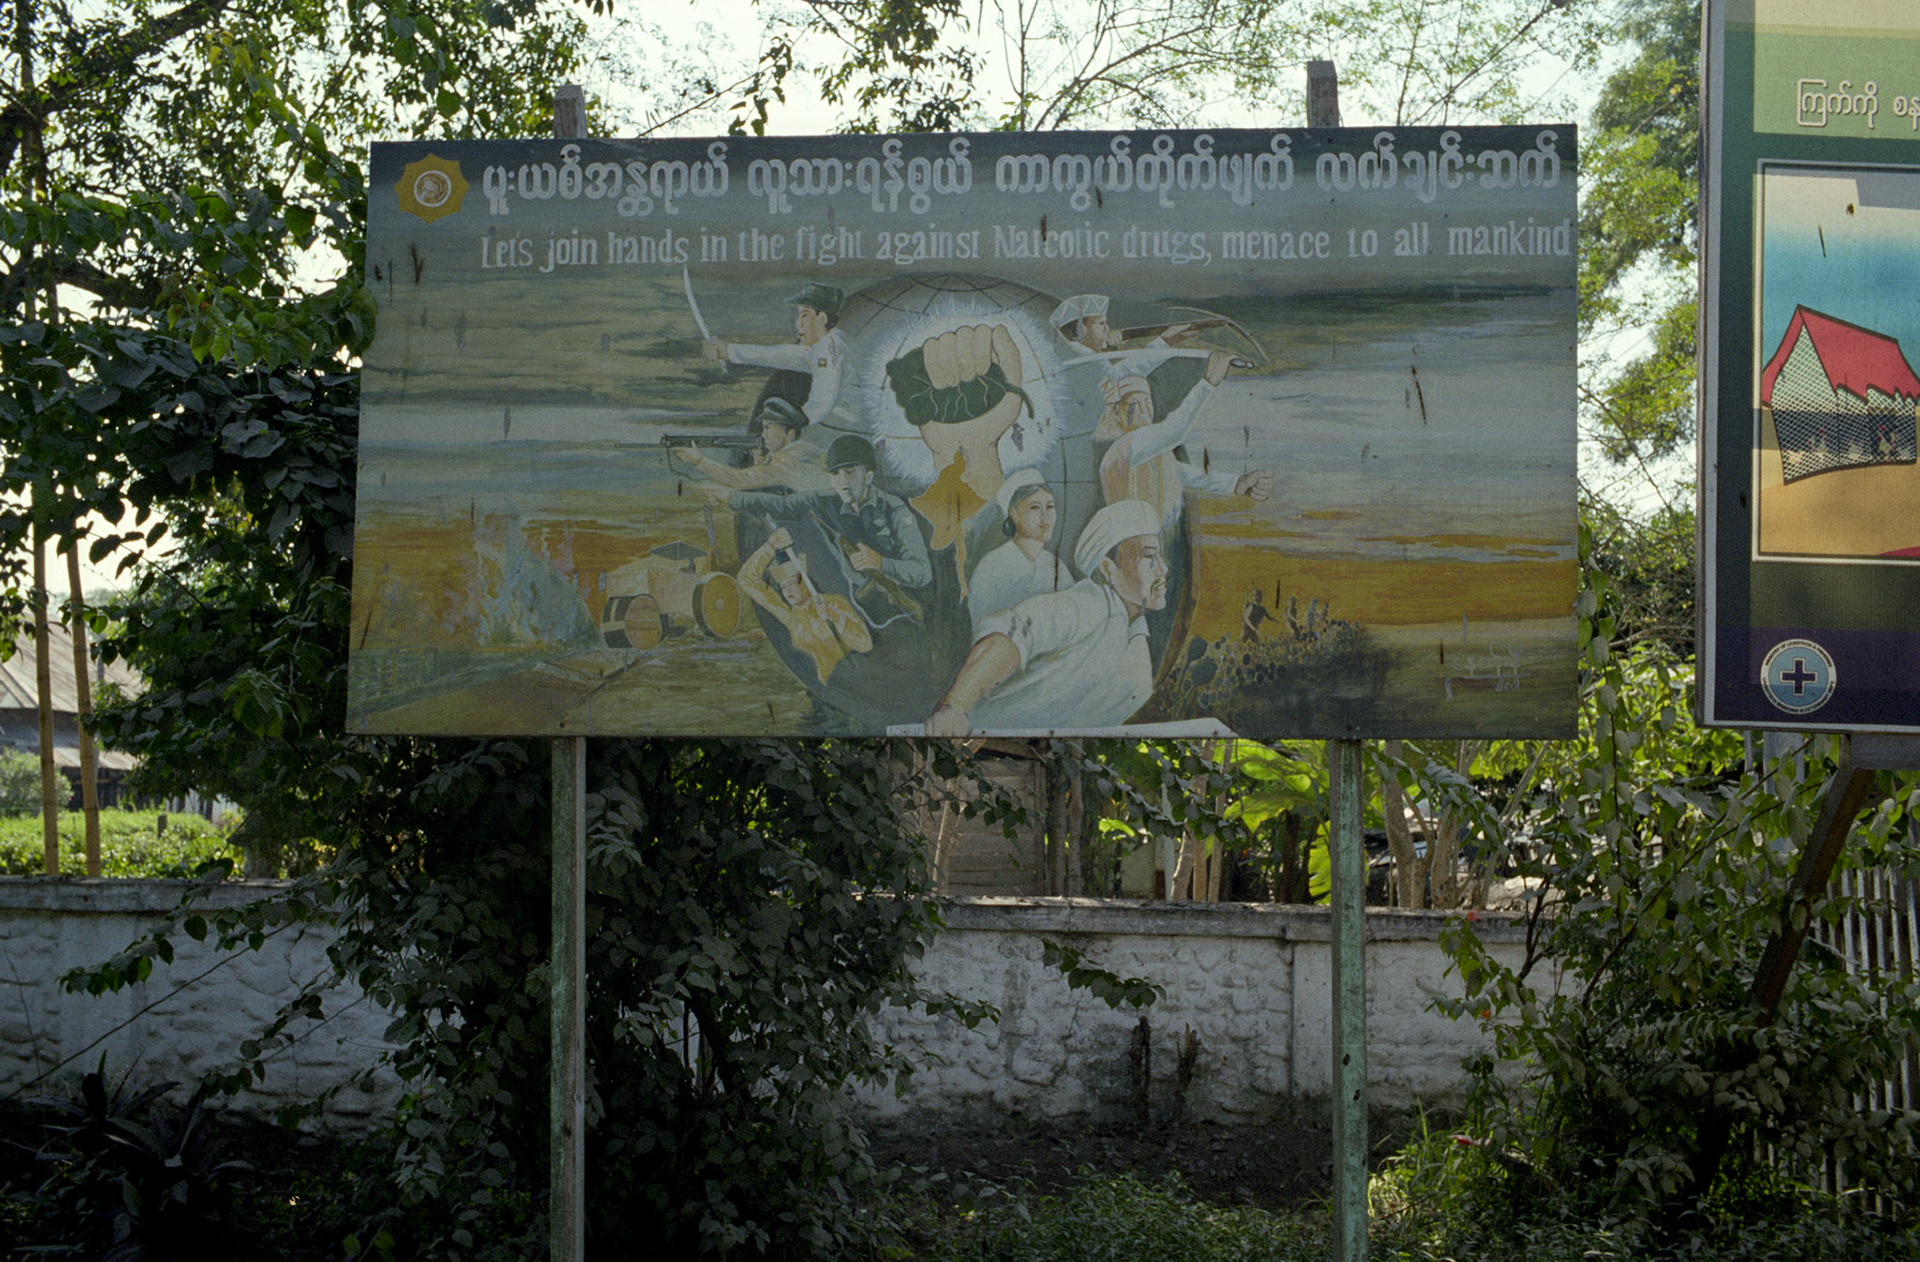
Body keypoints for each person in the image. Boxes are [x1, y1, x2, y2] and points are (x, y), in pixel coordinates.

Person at [926, 499, 1166, 735]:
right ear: (1108, 568)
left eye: (1160, 557)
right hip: (973, 737)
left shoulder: (1137, 638)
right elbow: (1009, 636)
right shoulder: (1085, 605)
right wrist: (954, 707)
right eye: (1149, 557)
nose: (1162, 570)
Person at [725, 435, 932, 622]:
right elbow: (782, 504)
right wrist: (730, 498)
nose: (842, 481)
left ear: (868, 477)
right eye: (835, 473)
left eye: (850, 472)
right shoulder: (828, 501)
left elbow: (922, 572)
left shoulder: (895, 510)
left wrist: (880, 562)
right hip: (864, 603)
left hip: (907, 607)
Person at [1095, 355, 1273, 528]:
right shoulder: (1124, 448)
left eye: (1147, 402)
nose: (1144, 410)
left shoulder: (1154, 456)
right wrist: (1207, 384)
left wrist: (1236, 483)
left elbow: (1187, 476)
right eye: (1134, 405)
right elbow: (1175, 430)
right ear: (1117, 413)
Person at [737, 526, 871, 684]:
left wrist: (835, 617)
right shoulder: (790, 615)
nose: (788, 591)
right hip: (823, 684)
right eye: (783, 587)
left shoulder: (833, 603)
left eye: (792, 583)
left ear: (807, 583)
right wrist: (769, 547)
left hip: (852, 679)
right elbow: (746, 579)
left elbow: (865, 644)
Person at [703, 282, 846, 424]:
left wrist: (794, 427)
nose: (798, 324)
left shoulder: (829, 348)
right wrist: (728, 351)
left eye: (804, 315)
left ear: (822, 319)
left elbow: (821, 401)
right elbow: (779, 354)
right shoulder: (829, 344)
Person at [966, 470, 1071, 632]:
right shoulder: (992, 566)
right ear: (1014, 513)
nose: (1045, 517)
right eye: (1035, 508)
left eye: (1050, 507)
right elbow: (984, 627)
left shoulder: (1057, 567)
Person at [675, 398, 826, 492]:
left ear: (790, 434)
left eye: (768, 427)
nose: (763, 435)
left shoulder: (785, 460)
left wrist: (700, 461)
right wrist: (760, 463)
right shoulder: (805, 451)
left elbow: (739, 480)